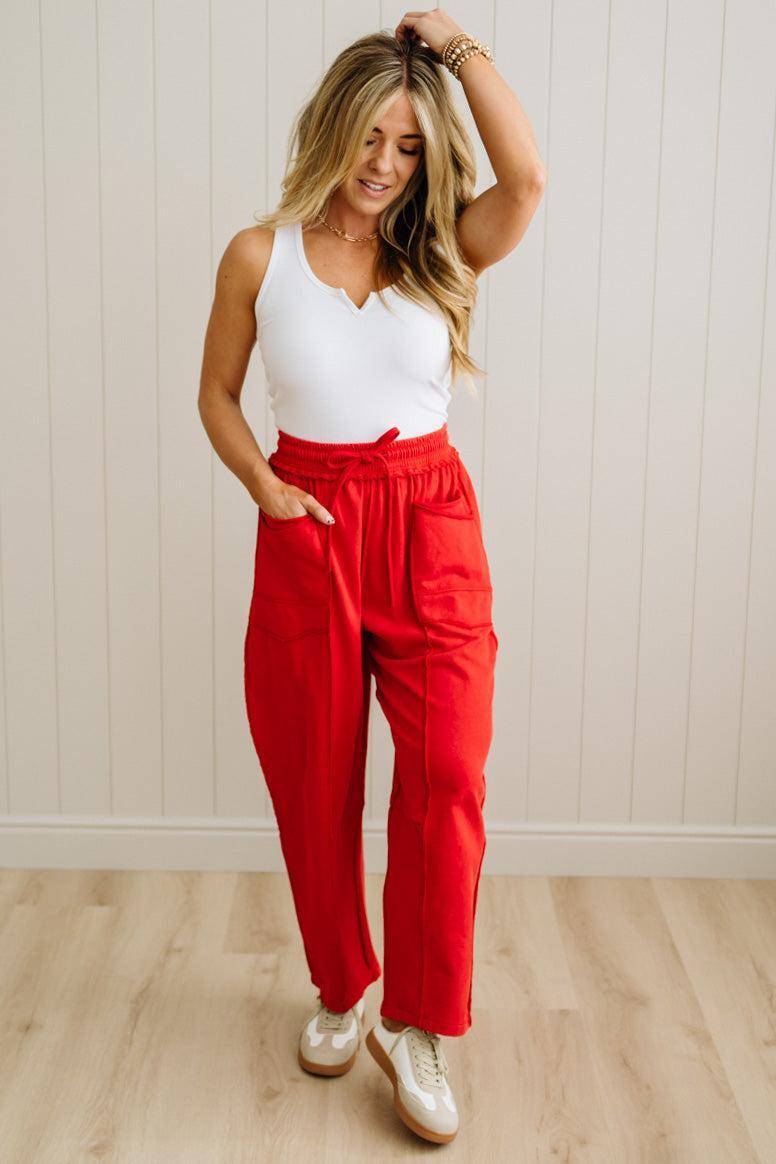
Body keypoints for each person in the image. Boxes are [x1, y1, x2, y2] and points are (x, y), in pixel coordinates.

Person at [198, 8, 545, 1146]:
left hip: (427, 519)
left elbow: (527, 181)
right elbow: (216, 395)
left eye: (409, 146)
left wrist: (455, 50)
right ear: (329, 128)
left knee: (446, 771)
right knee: (314, 776)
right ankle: (342, 987)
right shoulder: (259, 255)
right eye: (369, 138)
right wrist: (265, 487)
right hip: (309, 520)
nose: (385, 166)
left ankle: (420, 1023)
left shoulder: (441, 248)